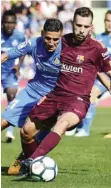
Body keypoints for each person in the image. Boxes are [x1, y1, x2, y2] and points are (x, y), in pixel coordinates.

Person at [17, 7, 111, 175]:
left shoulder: (97, 48)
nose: (81, 30)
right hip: (55, 95)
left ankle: (31, 161)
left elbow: (104, 70)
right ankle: (32, 166)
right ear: (72, 23)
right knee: (26, 131)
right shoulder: (62, 42)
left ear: (91, 27)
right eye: (78, 25)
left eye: (85, 26)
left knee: (62, 123)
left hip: (78, 100)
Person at [1, 18, 63, 173]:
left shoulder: (67, 50)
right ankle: (29, 162)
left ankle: (25, 159)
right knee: (3, 121)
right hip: (33, 90)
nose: (51, 42)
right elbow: (7, 55)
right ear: (42, 34)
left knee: (36, 134)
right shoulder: (33, 43)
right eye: (47, 38)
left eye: (56, 39)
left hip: (55, 96)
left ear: (61, 37)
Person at [72, 9, 111, 137]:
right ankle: (77, 125)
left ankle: (85, 130)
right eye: (107, 21)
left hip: (107, 76)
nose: (109, 24)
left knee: (92, 93)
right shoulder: (98, 38)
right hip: (95, 75)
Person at [1, 10, 26, 143]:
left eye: (11, 23)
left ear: (15, 24)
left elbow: (23, 52)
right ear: (2, 23)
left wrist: (18, 65)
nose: (9, 25)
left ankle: (9, 131)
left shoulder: (20, 37)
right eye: (6, 22)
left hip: (10, 72)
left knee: (12, 94)